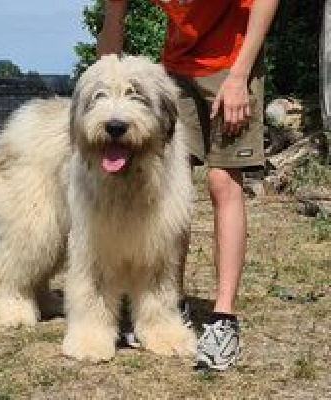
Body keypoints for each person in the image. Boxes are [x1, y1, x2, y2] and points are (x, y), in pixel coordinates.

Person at [97, 0, 279, 370]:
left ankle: (223, 319)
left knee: (222, 181)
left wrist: (240, 76)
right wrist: (102, 91)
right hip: (176, 69)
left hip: (233, 61)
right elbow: (111, 38)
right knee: (171, 184)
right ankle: (168, 303)